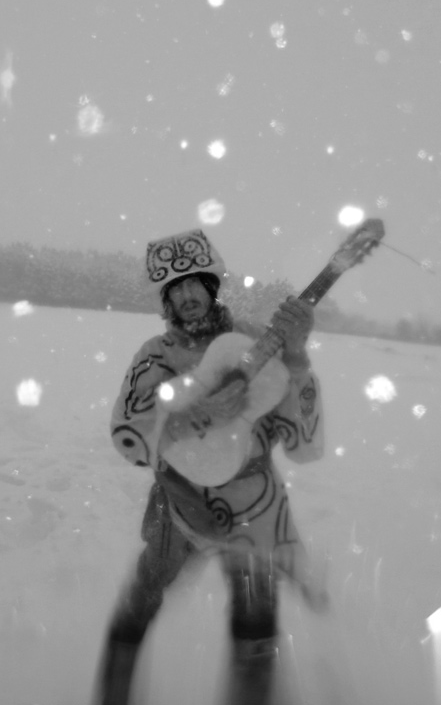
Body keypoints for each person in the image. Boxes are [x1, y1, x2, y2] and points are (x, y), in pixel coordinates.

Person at [95, 228, 327, 705]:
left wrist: (297, 358)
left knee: (256, 615)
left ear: (210, 286)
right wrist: (185, 420)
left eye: (193, 284)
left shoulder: (256, 345)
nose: (186, 296)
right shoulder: (155, 357)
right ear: (166, 300)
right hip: (179, 503)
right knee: (144, 594)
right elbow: (127, 433)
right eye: (175, 288)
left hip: (253, 505)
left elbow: (303, 443)